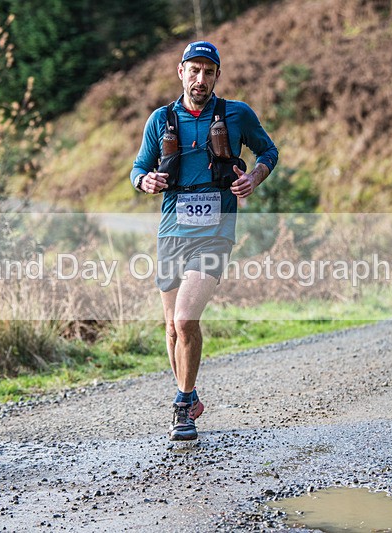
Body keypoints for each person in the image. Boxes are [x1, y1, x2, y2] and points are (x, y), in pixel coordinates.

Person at [130, 41, 278, 441]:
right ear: (181, 72)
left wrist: (254, 176)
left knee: (185, 319)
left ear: (217, 76)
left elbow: (269, 151)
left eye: (208, 72)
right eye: (193, 70)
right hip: (171, 233)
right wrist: (145, 181)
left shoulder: (237, 114)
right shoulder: (161, 119)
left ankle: (182, 408)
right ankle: (190, 395)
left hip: (215, 233)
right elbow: (138, 168)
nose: (200, 79)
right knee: (171, 329)